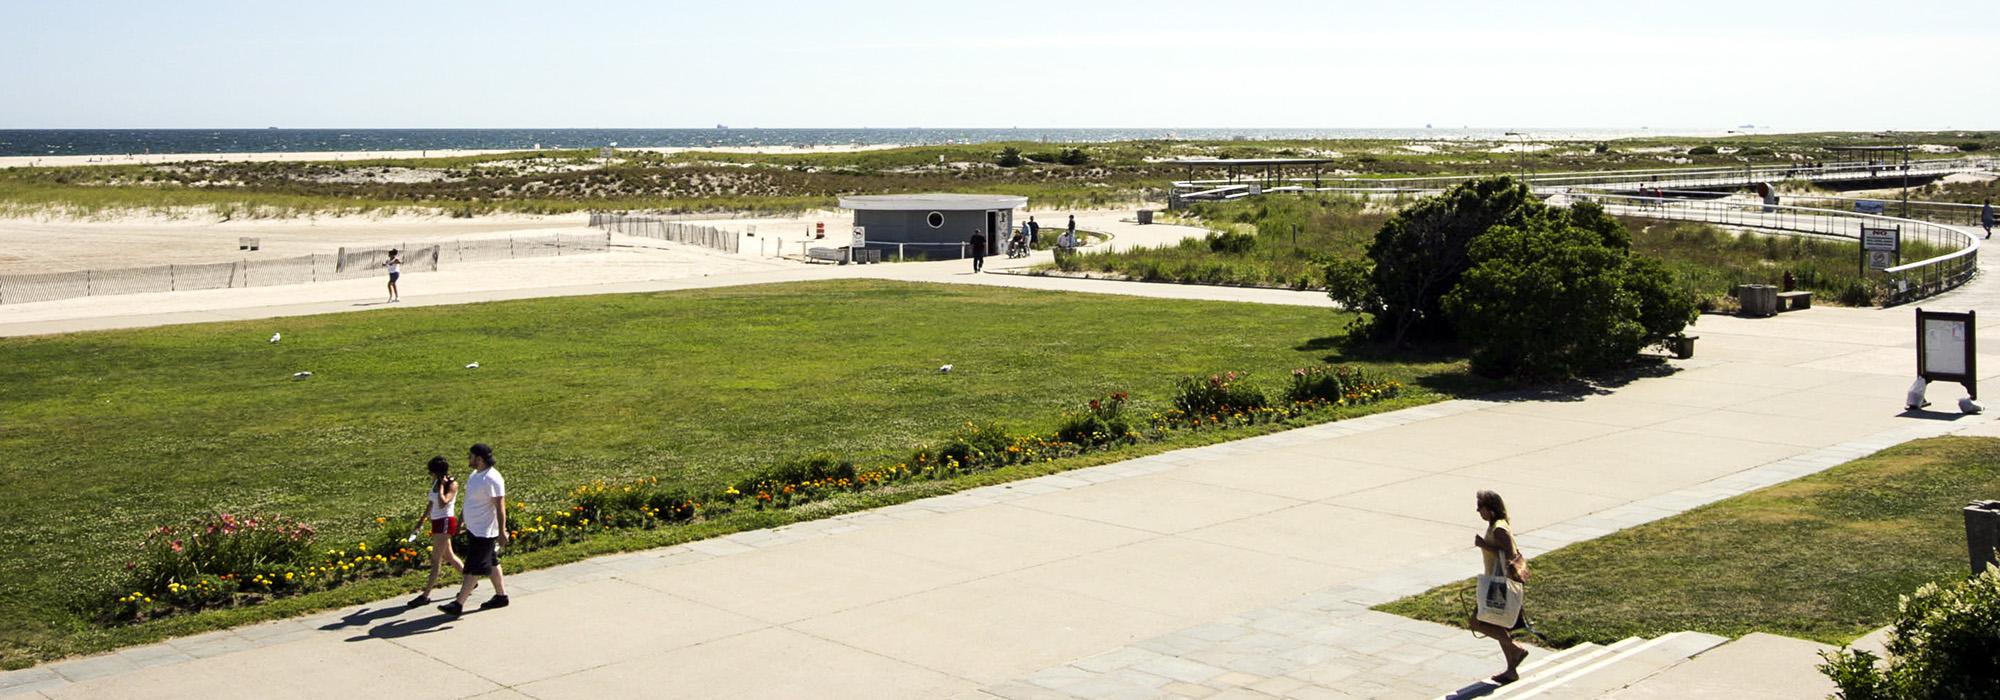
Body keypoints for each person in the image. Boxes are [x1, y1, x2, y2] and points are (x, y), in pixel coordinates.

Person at [439, 444, 509, 616]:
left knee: (474, 568)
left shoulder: (493, 478)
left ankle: (458, 604)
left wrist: (502, 531)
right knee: (492, 562)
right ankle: (501, 597)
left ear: (479, 459)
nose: (468, 459)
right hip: (474, 528)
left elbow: (500, 507)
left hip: (484, 531)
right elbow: (470, 501)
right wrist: (462, 519)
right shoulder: (475, 475)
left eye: (470, 456)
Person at [1470, 490, 1529, 684]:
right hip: (1497, 582)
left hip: (1499, 586)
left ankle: (1515, 649)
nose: (1478, 510)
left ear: (1491, 509)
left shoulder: (1499, 529)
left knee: (1477, 621)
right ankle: (1511, 670)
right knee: (1497, 624)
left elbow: (1509, 554)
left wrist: (1483, 545)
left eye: (1481, 507)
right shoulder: (1498, 525)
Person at [407, 456, 464, 607]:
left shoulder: (452, 484)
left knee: (436, 559)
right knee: (449, 556)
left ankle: (425, 595)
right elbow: (431, 503)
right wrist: (421, 521)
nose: (430, 475)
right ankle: (470, 581)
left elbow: (443, 502)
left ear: (437, 472)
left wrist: (441, 486)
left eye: (431, 473)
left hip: (446, 522)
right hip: (437, 522)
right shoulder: (435, 483)